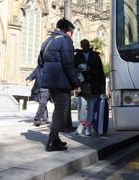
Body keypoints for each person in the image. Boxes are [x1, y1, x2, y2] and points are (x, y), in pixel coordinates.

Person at [37, 18, 81, 152]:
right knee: (61, 110)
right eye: (72, 32)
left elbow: (40, 62)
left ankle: (55, 139)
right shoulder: (65, 40)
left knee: (58, 108)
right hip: (61, 80)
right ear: (68, 31)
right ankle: (52, 140)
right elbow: (68, 64)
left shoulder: (47, 41)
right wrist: (76, 84)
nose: (72, 35)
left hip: (50, 80)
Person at [74, 39, 105, 136]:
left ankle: (88, 126)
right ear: (81, 45)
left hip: (93, 85)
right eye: (83, 44)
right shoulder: (77, 56)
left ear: (89, 45)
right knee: (81, 106)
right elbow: (72, 69)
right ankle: (81, 124)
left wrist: (102, 87)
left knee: (91, 107)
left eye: (86, 44)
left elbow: (100, 71)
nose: (85, 46)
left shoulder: (95, 55)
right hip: (81, 85)